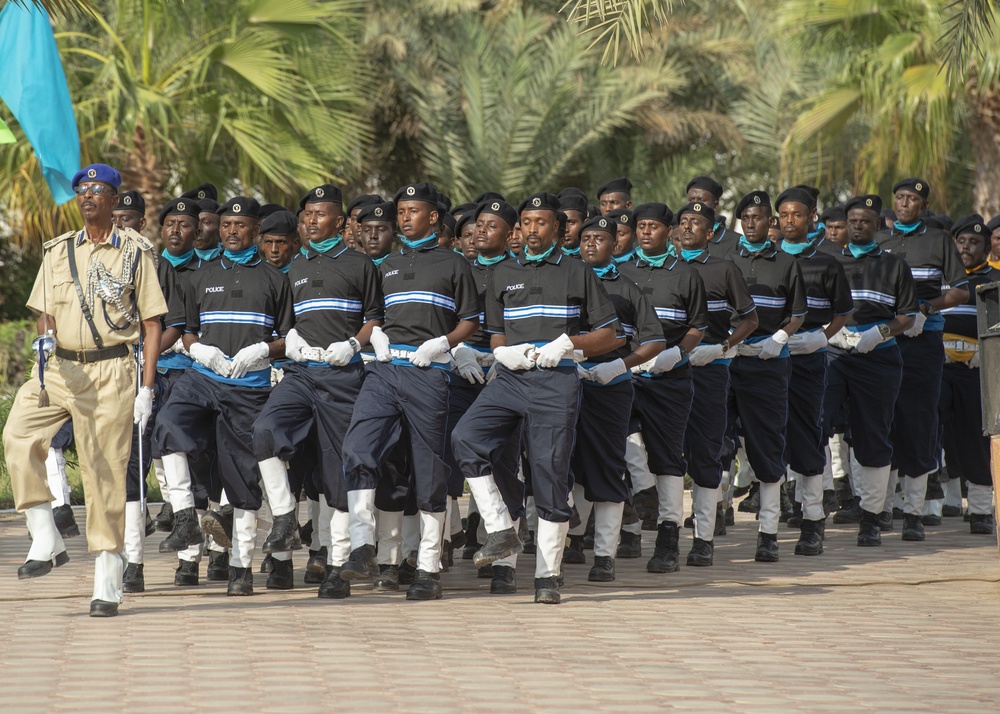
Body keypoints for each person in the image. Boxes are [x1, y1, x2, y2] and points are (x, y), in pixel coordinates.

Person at [3, 163, 166, 617]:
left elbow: (152, 325)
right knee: (17, 437)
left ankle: (108, 579)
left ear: (115, 201)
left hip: (111, 371)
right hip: (58, 368)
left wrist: (147, 388)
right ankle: (45, 535)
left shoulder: (135, 253)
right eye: (83, 191)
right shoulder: (58, 251)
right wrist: (45, 336)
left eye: (98, 190)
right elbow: (45, 311)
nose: (89, 196)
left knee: (103, 474)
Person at [451, 192, 622, 604]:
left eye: (541, 222)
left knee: (548, 474)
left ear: (559, 229)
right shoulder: (502, 272)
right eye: (526, 222)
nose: (532, 229)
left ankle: (547, 577)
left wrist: (567, 343)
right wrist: (502, 351)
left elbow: (609, 334)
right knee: (465, 438)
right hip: (509, 379)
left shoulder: (578, 271)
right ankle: (501, 529)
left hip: (555, 382)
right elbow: (495, 334)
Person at [338, 182, 479, 601]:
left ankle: (429, 567)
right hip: (385, 370)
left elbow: (471, 319)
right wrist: (375, 336)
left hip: (428, 372)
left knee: (428, 467)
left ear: (433, 218)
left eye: (412, 211)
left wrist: (445, 343)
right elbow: (375, 315)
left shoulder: (454, 264)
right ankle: (363, 547)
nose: (403, 218)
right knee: (358, 447)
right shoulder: (387, 264)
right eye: (400, 211)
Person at [153, 196, 294, 597]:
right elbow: (188, 330)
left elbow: (287, 337)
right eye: (227, 225)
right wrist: (198, 349)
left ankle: (241, 568)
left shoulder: (274, 278)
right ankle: (183, 517)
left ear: (256, 232)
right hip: (202, 376)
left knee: (241, 476)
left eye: (241, 225)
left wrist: (264, 351)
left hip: (248, 386)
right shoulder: (198, 275)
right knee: (167, 424)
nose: (232, 231)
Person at [253, 184, 384, 599]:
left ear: (340, 222)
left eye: (319, 214)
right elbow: (285, 325)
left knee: (336, 474)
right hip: (301, 373)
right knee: (264, 432)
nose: (310, 221)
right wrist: (288, 341)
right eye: (306, 214)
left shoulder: (361, 265)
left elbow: (376, 318)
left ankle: (336, 566)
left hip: (343, 378)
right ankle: (285, 518)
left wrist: (355, 345)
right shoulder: (295, 267)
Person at [570, 215, 663, 581]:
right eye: (586, 238)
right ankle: (571, 542)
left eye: (600, 238)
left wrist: (621, 366)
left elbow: (655, 339)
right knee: (565, 463)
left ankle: (605, 556)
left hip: (609, 386)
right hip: (567, 381)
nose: (591, 244)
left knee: (608, 466)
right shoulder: (566, 281)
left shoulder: (627, 288)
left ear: (615, 245)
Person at [617, 203, 707, 574]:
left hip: (669, 379)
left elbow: (698, 325)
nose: (645, 232)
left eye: (653, 227)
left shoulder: (686, 274)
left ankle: (668, 538)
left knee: (669, 460)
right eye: (641, 226)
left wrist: (678, 353)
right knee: (622, 442)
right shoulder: (621, 271)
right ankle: (637, 505)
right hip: (626, 375)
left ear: (669, 232)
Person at [877, 178, 969, 541]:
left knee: (918, 422)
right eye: (899, 197)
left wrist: (927, 308)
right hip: (884, 341)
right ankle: (880, 509)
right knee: (879, 420)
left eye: (912, 199)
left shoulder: (937, 241)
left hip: (923, 340)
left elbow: (961, 289)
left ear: (923, 205)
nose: (903, 204)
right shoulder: (879, 243)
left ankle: (914, 512)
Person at [825, 194, 917, 547]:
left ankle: (871, 518)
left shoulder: (895, 265)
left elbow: (907, 315)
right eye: (853, 221)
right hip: (834, 354)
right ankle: (811, 511)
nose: (858, 226)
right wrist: (831, 335)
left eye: (865, 221)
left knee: (873, 435)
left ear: (878, 225)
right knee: (817, 422)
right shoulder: (830, 260)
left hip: (878, 357)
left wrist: (878, 333)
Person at [728, 190, 807, 562]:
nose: (751, 223)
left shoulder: (786, 262)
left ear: (769, 222)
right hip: (729, 360)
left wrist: (780, 337)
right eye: (745, 217)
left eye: (758, 217)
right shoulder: (726, 258)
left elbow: (798, 313)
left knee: (766, 444)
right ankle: (704, 530)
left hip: (768, 361)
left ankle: (769, 532)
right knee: (717, 442)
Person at [678, 200, 758, 565]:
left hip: (709, 369)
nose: (687, 228)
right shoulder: (667, 267)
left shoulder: (724, 269)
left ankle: (703, 537)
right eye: (683, 222)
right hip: (667, 369)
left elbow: (751, 319)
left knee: (706, 449)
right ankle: (663, 533)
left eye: (696, 223)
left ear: (710, 233)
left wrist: (723, 347)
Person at [776, 187, 854, 555]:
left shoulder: (826, 263)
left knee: (808, 434)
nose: (789, 222)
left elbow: (843, 312)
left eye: (797, 215)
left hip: (807, 357)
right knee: (766, 436)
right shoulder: (770, 259)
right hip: (767, 358)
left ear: (812, 217)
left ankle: (812, 520)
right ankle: (770, 521)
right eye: (784, 215)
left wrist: (822, 338)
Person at [940, 214, 997, 535]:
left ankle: (978, 509)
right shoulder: (943, 278)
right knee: (933, 430)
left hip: (974, 371)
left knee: (974, 439)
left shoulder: (993, 282)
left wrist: (984, 352)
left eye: (974, 242)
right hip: (939, 367)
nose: (966, 247)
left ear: (987, 247)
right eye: (961, 241)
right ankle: (932, 502)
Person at [686, 176, 740, 257]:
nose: (695, 205)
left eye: (701, 200)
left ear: (715, 205)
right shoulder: (679, 236)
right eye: (691, 200)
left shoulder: (735, 241)